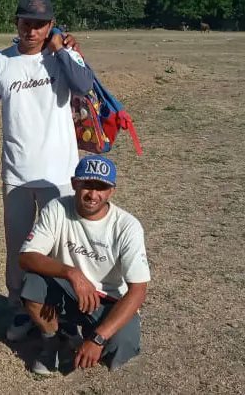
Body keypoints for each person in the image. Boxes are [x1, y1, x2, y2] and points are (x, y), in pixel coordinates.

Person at [0, 0, 95, 341]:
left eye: (40, 25)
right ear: (16, 23)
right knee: (19, 247)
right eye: (26, 22)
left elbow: (84, 86)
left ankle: (62, 309)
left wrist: (60, 49)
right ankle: (19, 307)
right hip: (17, 171)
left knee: (62, 245)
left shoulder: (63, 56)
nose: (32, 30)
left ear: (50, 27)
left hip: (59, 173)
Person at [19, 155, 150, 374]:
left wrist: (98, 339)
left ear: (111, 191)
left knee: (121, 346)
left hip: (108, 299)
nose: (93, 194)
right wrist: (72, 273)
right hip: (68, 287)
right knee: (32, 282)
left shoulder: (128, 226)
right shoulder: (57, 208)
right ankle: (52, 341)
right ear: (74, 184)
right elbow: (26, 257)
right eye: (86, 185)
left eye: (101, 187)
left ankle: (88, 335)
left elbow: (138, 290)